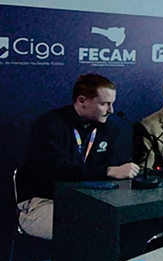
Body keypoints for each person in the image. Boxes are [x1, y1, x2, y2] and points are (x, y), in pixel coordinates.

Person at [20, 73, 138, 240]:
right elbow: (56, 171)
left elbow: (112, 171)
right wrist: (108, 171)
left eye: (112, 104)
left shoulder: (109, 129)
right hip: (44, 201)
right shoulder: (50, 125)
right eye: (104, 104)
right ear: (82, 101)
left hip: (88, 201)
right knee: (88, 228)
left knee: (119, 223)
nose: (111, 110)